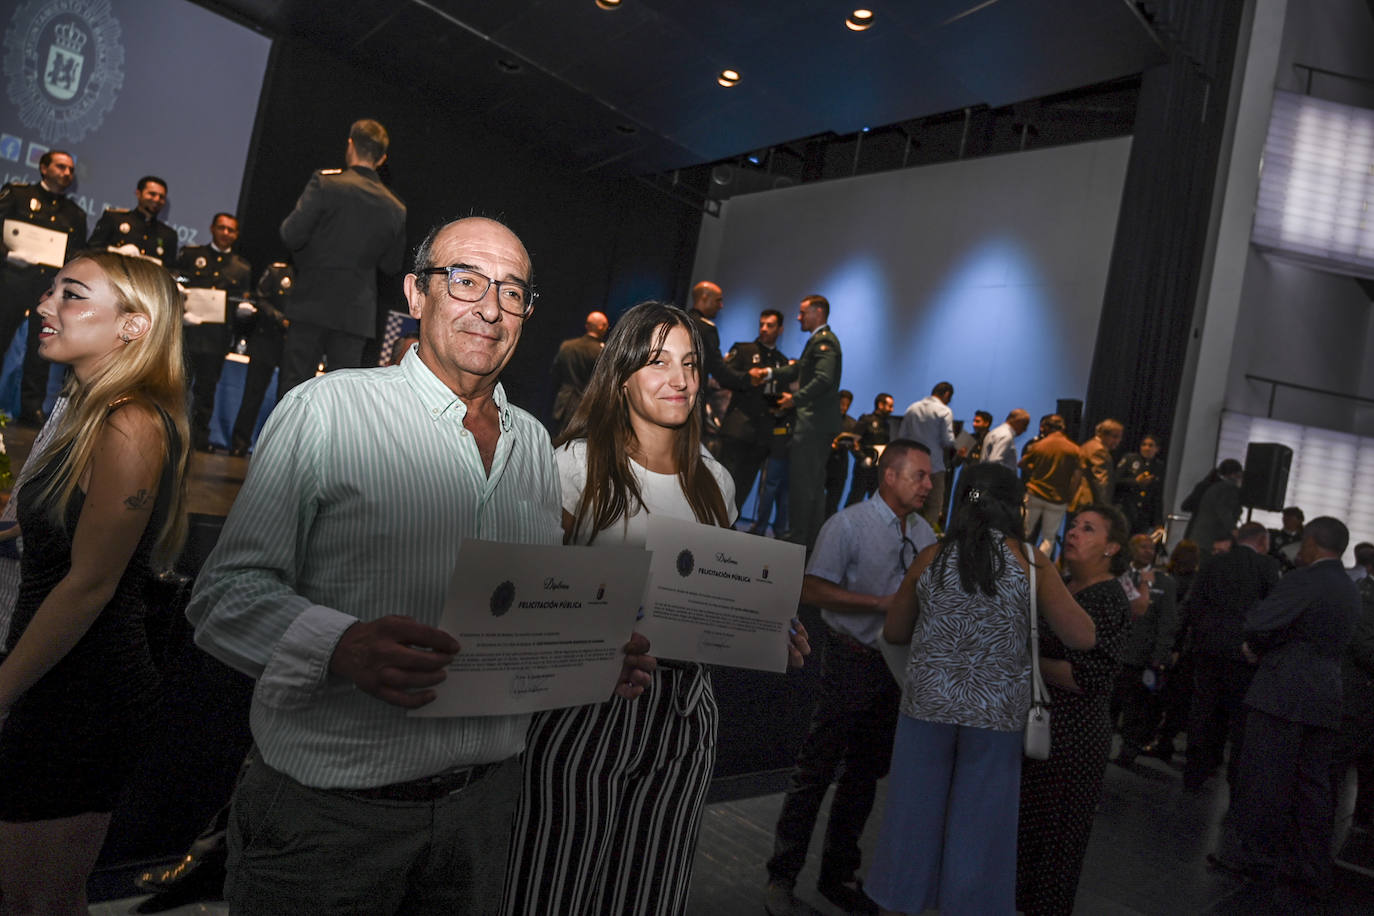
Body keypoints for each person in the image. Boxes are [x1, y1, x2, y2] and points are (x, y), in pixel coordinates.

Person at [186, 217, 564, 914]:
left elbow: (526, 611)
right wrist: (340, 645)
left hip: (485, 814)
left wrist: (593, 647)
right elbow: (224, 596)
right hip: (329, 823)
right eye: (466, 281)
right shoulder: (326, 410)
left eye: (511, 292)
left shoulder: (537, 446)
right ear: (416, 294)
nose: (490, 307)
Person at [503, 300, 809, 916]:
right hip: (585, 711)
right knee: (552, 887)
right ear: (621, 375)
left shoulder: (716, 481)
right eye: (658, 362)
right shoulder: (574, 466)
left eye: (690, 364)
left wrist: (768, 623)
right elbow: (529, 601)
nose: (681, 379)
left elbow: (717, 594)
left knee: (652, 891)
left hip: (687, 716)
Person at [0, 250, 191, 913]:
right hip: (50, 672)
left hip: (84, 691)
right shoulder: (85, 409)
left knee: (34, 899)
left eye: (72, 295)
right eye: (51, 291)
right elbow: (53, 530)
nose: (45, 306)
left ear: (133, 325)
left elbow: (89, 585)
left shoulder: (129, 423)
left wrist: (3, 690)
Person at [864, 464, 1096, 915]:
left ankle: (901, 901)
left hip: (927, 709)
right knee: (982, 827)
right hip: (996, 716)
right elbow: (1083, 636)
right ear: (1015, 505)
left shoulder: (931, 557)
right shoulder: (1031, 562)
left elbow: (894, 632)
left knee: (912, 819)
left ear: (961, 501)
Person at [764, 440, 939, 916]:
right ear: (890, 476)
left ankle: (838, 876)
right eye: (920, 475)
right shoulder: (847, 525)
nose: (929, 485)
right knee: (816, 771)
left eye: (928, 477)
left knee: (864, 777)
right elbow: (810, 588)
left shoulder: (924, 533)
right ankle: (781, 877)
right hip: (849, 660)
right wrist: (880, 604)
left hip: (894, 668)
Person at [1209, 517, 1361, 901]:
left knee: (1263, 778)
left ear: (1311, 543)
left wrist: (1256, 646)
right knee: (1312, 786)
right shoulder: (1349, 587)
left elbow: (1260, 621)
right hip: (1325, 695)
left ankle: (1254, 858)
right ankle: (1308, 865)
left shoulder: (1303, 579)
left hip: (1282, 692)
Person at [1016, 505, 1132, 916]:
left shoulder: (1107, 598)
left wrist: (1024, 660)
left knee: (1054, 845)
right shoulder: (1065, 585)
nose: (1073, 533)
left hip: (1073, 737)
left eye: (1088, 529)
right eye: (1075, 525)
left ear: (1111, 548)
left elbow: (1088, 677)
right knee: (1025, 839)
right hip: (1041, 727)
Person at [276, 119, 407, 398]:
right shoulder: (395, 208)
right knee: (340, 400)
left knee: (293, 392)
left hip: (311, 303)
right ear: (382, 158)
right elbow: (391, 265)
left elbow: (291, 234)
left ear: (350, 145)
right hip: (355, 314)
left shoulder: (326, 183)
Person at [1180, 521, 1280, 791]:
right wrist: (1256, 646)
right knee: (1240, 721)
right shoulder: (1267, 566)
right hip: (1243, 654)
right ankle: (1235, 781)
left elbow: (1195, 603)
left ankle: (1194, 773)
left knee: (1203, 711)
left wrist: (1201, 637)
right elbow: (1272, 610)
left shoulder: (1214, 563)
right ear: (1262, 541)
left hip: (1209, 649)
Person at [0, 150, 87, 427]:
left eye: (70, 169)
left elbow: (76, 256)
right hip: (11, 282)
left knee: (41, 348)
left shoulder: (75, 213)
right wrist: (6, 254)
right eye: (60, 167)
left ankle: (31, 408)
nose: (66, 173)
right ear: (43, 168)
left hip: (48, 290)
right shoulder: (17, 195)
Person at [750, 294, 842, 550]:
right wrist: (768, 372)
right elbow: (797, 369)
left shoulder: (825, 342)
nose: (799, 317)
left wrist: (795, 400)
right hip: (816, 424)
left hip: (813, 424)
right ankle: (808, 542)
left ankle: (798, 540)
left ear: (818, 313)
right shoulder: (817, 340)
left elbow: (823, 379)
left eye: (803, 313)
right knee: (811, 486)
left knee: (803, 486)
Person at [175, 213, 253, 452]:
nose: (226, 233)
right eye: (222, 228)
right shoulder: (192, 255)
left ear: (236, 235)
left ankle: (198, 438)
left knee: (206, 392)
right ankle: (170, 433)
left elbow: (241, 300)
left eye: (231, 230)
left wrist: (242, 311)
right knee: (177, 387)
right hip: (188, 334)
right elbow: (177, 283)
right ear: (212, 228)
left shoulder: (241, 267)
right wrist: (180, 307)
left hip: (216, 339)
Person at [1111, 535, 1179, 767]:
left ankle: (1128, 751)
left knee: (1135, 710)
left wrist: (1160, 654)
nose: (1149, 551)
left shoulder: (1164, 583)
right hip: (1114, 652)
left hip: (1141, 657)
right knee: (1108, 706)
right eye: (1143, 547)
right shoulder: (1118, 576)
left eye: (1151, 548)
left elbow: (1167, 622)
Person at [718, 309, 790, 509]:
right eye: (761, 324)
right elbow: (724, 378)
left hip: (762, 436)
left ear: (780, 329)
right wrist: (747, 378)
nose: (764, 329)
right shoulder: (743, 350)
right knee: (723, 486)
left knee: (743, 487)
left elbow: (782, 392)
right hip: (738, 429)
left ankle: (730, 525)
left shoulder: (782, 362)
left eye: (770, 325)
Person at [228, 262, 293, 456]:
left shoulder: (311, 273)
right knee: (252, 395)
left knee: (287, 399)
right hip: (266, 338)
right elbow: (261, 298)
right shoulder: (276, 270)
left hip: (294, 343)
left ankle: (277, 449)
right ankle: (240, 442)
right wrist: (279, 318)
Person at [896, 382, 960, 531]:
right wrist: (958, 446)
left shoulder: (912, 408)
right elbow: (947, 441)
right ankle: (925, 541)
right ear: (947, 394)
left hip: (911, 466)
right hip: (933, 466)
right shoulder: (944, 410)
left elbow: (902, 436)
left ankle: (904, 536)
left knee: (910, 505)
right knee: (933, 507)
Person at [1019, 414, 1082, 557]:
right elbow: (1077, 476)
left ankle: (1017, 560)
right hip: (1058, 499)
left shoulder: (1039, 445)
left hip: (1035, 493)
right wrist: (1070, 496)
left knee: (1024, 533)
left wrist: (1034, 470)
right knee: (1048, 538)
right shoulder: (1074, 449)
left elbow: (1022, 464)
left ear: (1046, 427)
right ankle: (1040, 566)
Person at [87, 176, 177, 267]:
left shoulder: (168, 235)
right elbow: (91, 248)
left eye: (161, 197)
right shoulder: (114, 218)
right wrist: (116, 251)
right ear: (138, 193)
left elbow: (171, 269)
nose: (157, 199)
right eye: (152, 194)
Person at [548, 310, 607, 432]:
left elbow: (555, 374)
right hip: (587, 407)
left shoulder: (567, 346)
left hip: (563, 404)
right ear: (602, 327)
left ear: (587, 326)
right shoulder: (602, 352)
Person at [845, 393, 894, 507]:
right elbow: (852, 441)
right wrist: (862, 458)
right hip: (864, 468)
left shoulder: (887, 425)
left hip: (879, 469)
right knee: (856, 498)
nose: (892, 410)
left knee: (876, 500)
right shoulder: (866, 420)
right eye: (889, 406)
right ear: (880, 405)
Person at [1184, 457, 1244, 549]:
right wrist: (1234, 531)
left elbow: (1186, 506)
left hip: (1197, 534)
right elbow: (1224, 512)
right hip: (1212, 539)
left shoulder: (1208, 485)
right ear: (1235, 475)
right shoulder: (1227, 489)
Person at [1116, 434, 1165, 534]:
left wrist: (1158, 522)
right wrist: (1135, 482)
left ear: (1157, 449)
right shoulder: (1130, 459)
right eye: (1144, 445)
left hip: (1143, 514)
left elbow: (1157, 496)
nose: (1146, 448)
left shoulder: (1158, 466)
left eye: (1151, 445)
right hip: (1126, 508)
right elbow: (1116, 481)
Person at [824, 389, 858, 518]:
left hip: (840, 466)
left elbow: (855, 446)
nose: (844, 407)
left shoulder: (852, 423)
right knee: (815, 501)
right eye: (842, 404)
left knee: (833, 503)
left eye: (847, 405)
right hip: (823, 464)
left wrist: (855, 446)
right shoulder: (824, 419)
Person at [1076, 418, 1123, 508]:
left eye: (1119, 437)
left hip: (1082, 499)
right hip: (1089, 502)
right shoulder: (1099, 450)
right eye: (1115, 437)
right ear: (1103, 435)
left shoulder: (1090, 444)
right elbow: (1100, 481)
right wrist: (1104, 507)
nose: (1118, 441)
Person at [1268, 506, 1305, 571]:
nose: (1286, 519)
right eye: (1285, 516)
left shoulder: (1305, 539)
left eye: (1290, 517)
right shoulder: (1273, 535)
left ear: (1299, 520)